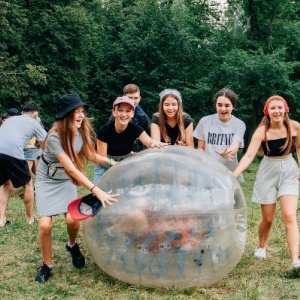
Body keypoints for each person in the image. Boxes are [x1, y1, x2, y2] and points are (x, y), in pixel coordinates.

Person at [34, 93, 119, 283]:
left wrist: (113, 163)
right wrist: (95, 189)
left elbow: (93, 156)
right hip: (46, 181)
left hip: (64, 181)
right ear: (65, 115)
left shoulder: (82, 132)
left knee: (73, 220)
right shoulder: (54, 137)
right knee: (45, 224)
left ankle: (71, 245)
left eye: (82, 111)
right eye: (76, 112)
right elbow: (71, 169)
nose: (81, 115)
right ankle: (47, 265)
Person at [233, 95, 300, 270]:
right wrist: (235, 173)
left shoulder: (295, 127)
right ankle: (261, 246)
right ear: (267, 111)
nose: (277, 111)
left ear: (285, 109)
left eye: (280, 108)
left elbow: (299, 147)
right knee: (268, 219)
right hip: (268, 172)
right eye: (273, 108)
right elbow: (248, 156)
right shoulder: (262, 131)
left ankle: (295, 261)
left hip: (289, 171)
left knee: (289, 216)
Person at [93, 96, 167, 184]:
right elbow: (102, 158)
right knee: (98, 194)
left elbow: (150, 143)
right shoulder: (104, 130)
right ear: (114, 112)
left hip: (126, 164)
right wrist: (114, 165)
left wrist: (156, 144)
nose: (124, 114)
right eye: (120, 110)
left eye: (128, 111)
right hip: (106, 165)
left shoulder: (135, 128)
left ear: (132, 113)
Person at [0, 102, 46, 227]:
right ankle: (30, 218)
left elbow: (12, 139)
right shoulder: (34, 122)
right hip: (13, 153)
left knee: (5, 184)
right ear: (36, 114)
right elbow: (46, 141)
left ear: (22, 112)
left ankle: (1, 219)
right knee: (28, 183)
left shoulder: (11, 119)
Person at [193, 88, 246, 182]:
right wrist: (201, 161)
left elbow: (235, 145)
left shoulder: (239, 124)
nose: (223, 109)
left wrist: (227, 153)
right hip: (208, 171)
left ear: (233, 106)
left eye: (227, 105)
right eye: (219, 105)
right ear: (215, 105)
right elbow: (201, 147)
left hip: (229, 173)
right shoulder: (205, 121)